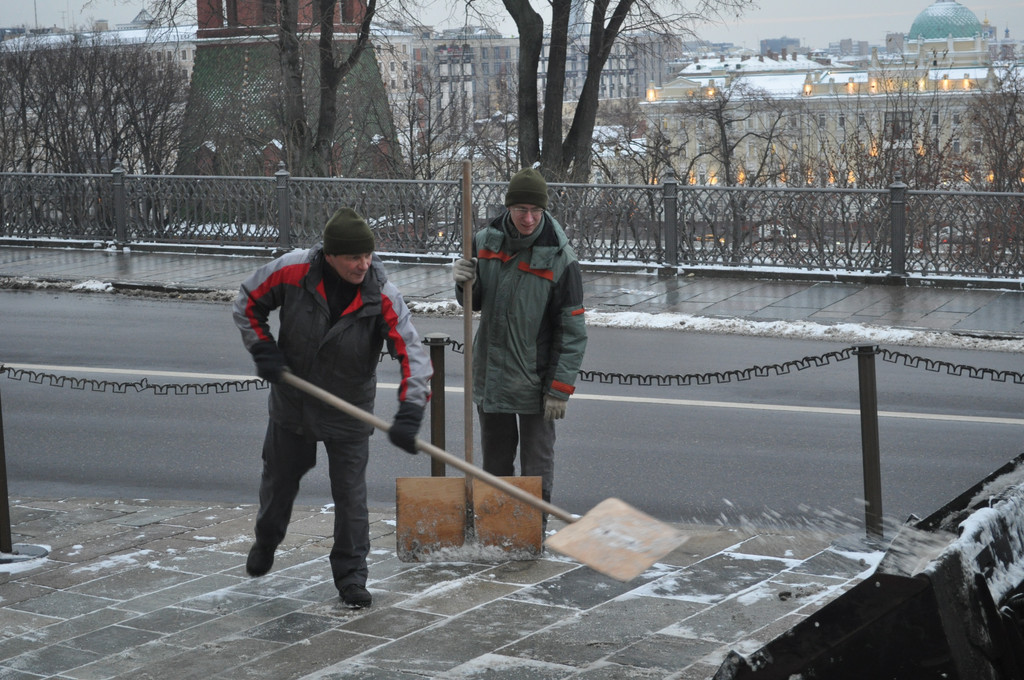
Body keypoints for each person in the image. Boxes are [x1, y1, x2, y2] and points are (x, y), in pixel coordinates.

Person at [232, 207, 431, 608]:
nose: (364, 264)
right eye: (354, 257)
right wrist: (263, 348)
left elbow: (412, 352)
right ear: (330, 255)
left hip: (348, 407)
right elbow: (247, 301)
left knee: (351, 497)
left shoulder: (381, 295)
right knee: (279, 483)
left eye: (368, 255)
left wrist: (410, 411)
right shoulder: (292, 271)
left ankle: (352, 576)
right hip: (293, 402)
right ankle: (266, 540)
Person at [452, 167, 587, 528]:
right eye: (521, 210)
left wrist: (559, 389)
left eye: (535, 211)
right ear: (508, 208)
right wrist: (463, 281)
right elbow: (475, 303)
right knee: (495, 463)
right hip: (492, 373)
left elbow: (572, 331)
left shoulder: (560, 258)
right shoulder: (484, 241)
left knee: (536, 464)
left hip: (536, 379)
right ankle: (498, 527)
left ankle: (531, 530)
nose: (528, 219)